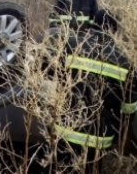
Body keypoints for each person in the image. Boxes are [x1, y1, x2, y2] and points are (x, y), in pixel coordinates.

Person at [42, 10, 137, 173]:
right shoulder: (125, 61)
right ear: (114, 31)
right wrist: (118, 130)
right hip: (98, 138)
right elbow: (129, 106)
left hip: (64, 128)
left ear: (92, 25)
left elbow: (47, 72)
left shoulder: (71, 46)